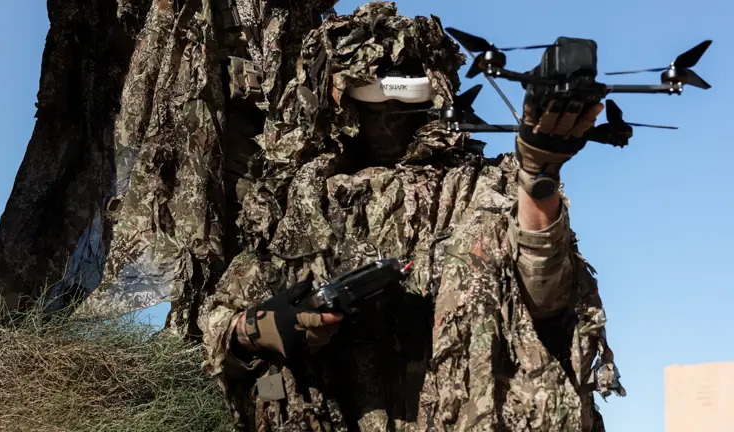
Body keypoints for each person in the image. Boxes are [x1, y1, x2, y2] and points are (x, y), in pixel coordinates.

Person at [199, 3, 624, 431]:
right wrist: (253, 329)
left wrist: (538, 176)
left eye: (402, 101)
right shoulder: (292, 202)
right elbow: (221, 326)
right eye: (371, 102)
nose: (386, 119)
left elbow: (543, 298)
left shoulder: (479, 187)